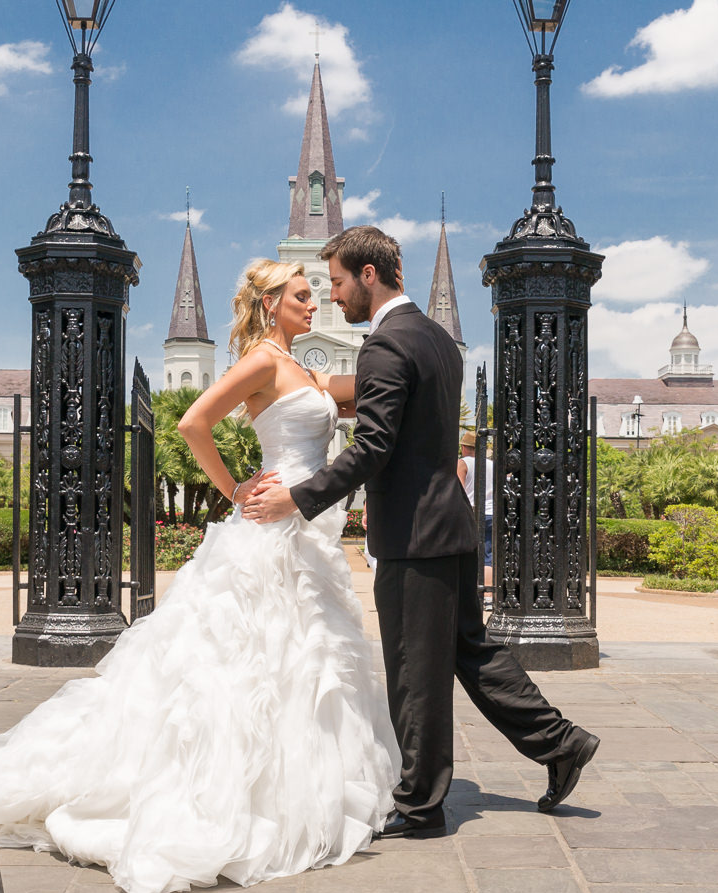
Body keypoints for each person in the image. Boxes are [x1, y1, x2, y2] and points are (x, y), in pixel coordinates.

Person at [0, 260, 400, 893]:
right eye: (303, 297)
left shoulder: (303, 366)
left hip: (308, 537)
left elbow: (367, 392)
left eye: (316, 296)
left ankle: (303, 784)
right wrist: (234, 489)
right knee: (247, 661)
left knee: (306, 661)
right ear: (272, 302)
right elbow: (193, 422)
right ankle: (232, 794)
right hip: (269, 530)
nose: (315, 306)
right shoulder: (261, 361)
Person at [245, 226, 599, 839]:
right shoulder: (437, 340)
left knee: (415, 669)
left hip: (413, 532)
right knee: (469, 649)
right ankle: (561, 743)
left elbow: (375, 447)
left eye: (336, 281)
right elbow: (403, 419)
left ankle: (420, 803)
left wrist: (298, 498)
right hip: (451, 522)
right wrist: (328, 392)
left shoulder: (384, 345)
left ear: (368, 275)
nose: (333, 296)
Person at [457, 429, 493, 583]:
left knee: (467, 554)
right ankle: (488, 595)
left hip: (471, 512)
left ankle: (471, 590)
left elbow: (459, 489)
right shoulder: (492, 464)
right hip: (491, 512)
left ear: (464, 447)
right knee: (488, 557)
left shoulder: (462, 463)